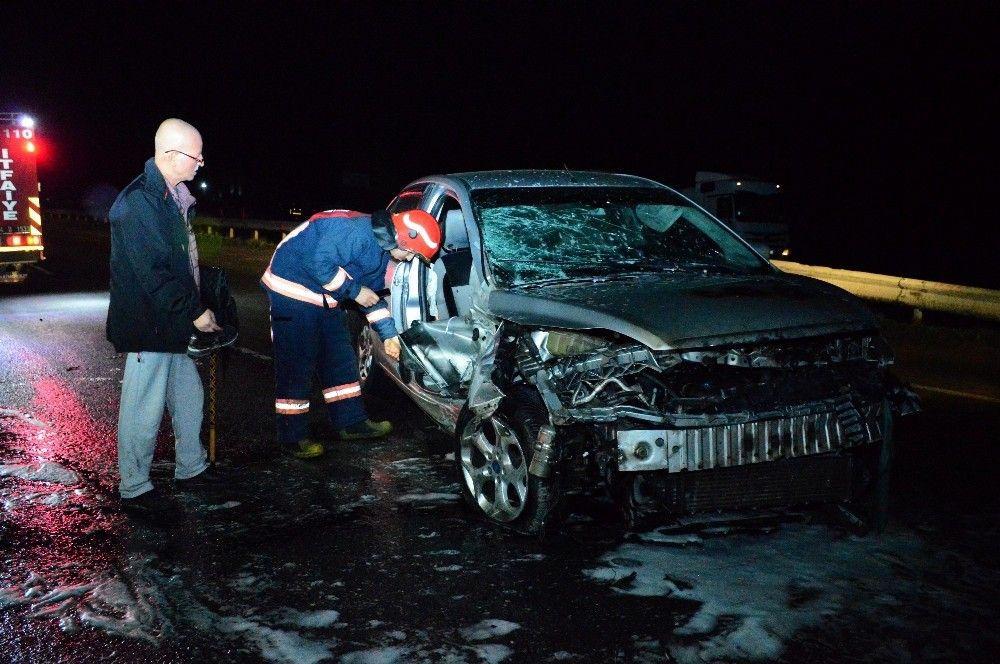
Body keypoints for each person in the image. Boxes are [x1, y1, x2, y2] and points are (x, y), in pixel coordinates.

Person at [106, 118, 223, 518]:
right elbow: (154, 273)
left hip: (172, 323)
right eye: (196, 156)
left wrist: (201, 299)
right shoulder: (140, 202)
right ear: (171, 154)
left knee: (189, 396)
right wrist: (194, 311)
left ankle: (191, 467)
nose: (201, 163)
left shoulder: (172, 198)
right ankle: (134, 486)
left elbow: (180, 262)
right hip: (148, 325)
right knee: (143, 408)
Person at [261, 208, 441, 458]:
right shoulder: (355, 232)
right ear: (401, 237)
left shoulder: (382, 255)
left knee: (340, 359)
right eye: (411, 253)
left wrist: (389, 335)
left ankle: (351, 422)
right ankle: (292, 437)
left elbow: (371, 299)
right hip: (291, 289)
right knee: (297, 366)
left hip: (326, 297)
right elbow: (317, 263)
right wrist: (354, 291)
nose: (410, 259)